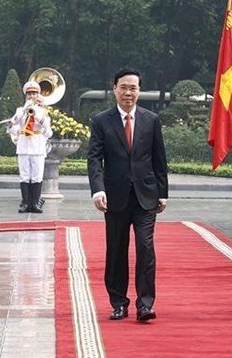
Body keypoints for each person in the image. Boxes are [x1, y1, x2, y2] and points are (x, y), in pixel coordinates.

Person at [87, 68, 168, 322]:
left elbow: (159, 159)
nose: (128, 93)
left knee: (145, 247)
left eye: (133, 88)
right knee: (117, 250)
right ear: (114, 89)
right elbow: (94, 159)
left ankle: (145, 304)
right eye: (123, 87)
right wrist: (98, 189)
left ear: (139, 91)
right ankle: (119, 302)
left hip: (146, 196)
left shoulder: (151, 119)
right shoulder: (101, 120)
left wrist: (163, 193)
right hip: (115, 196)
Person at [6, 80, 53, 213]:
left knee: (37, 175)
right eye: (29, 94)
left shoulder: (43, 111)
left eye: (34, 93)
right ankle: (25, 203)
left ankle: (35, 203)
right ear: (25, 96)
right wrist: (24, 110)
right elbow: (13, 127)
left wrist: (36, 114)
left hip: (37, 146)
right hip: (23, 146)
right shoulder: (20, 111)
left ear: (38, 95)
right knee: (25, 175)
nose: (32, 96)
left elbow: (48, 131)